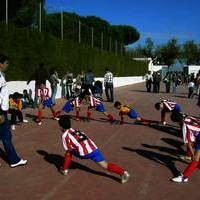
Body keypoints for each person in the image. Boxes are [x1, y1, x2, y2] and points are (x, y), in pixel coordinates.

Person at [58, 115, 130, 183]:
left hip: (85, 154)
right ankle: (123, 172)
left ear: (61, 127)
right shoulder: (76, 130)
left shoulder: (65, 135)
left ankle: (65, 169)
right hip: (94, 149)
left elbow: (69, 149)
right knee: (105, 165)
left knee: (68, 152)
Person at [0, 54, 27, 167]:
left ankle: (14, 160)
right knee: (6, 136)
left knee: (6, 135)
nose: (7, 65)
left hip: (3, 111)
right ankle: (14, 160)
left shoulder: (2, 75)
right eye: (6, 63)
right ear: (0, 64)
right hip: (1, 111)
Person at [171, 113, 200, 183]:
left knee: (195, 158)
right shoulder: (189, 117)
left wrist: (192, 156)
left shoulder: (185, 126)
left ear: (177, 122)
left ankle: (184, 177)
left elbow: (188, 143)